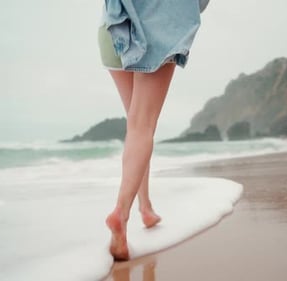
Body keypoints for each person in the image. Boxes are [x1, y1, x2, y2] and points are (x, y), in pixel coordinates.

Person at [98, 0, 209, 261]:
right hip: (156, 32)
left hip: (112, 27)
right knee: (143, 125)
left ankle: (145, 208)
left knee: (135, 127)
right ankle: (120, 214)